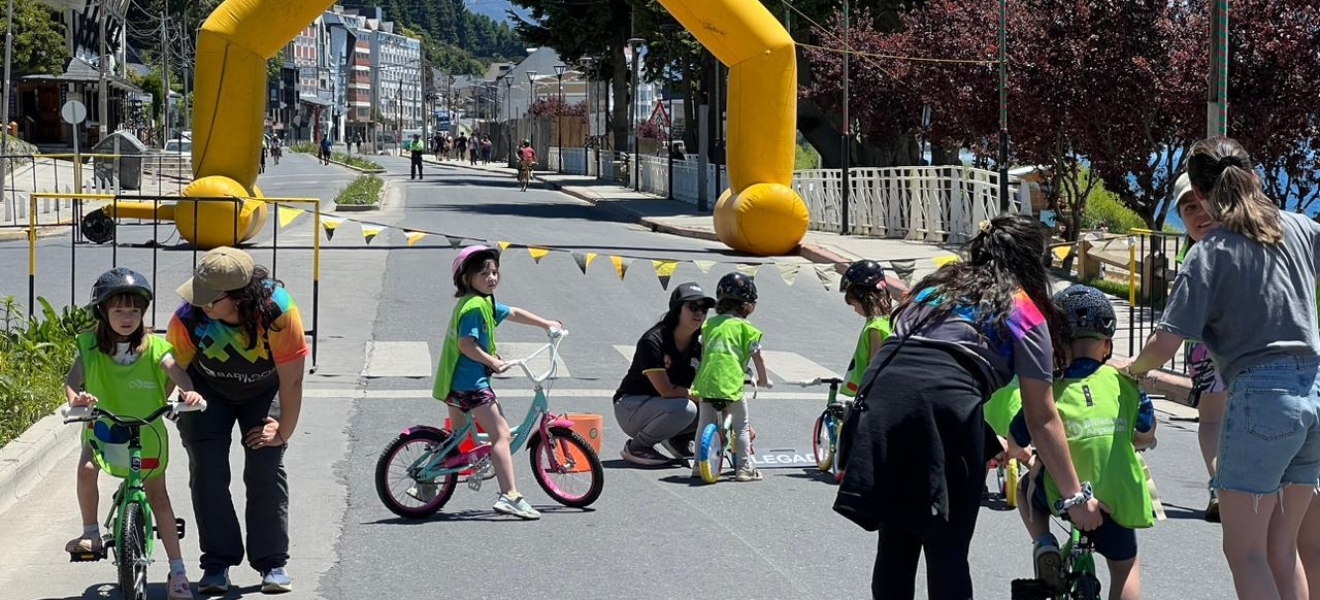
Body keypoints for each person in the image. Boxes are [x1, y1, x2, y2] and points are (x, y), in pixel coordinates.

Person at [834, 214, 1103, 600]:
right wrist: (1076, 499)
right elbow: (1041, 417)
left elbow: (921, 372)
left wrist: (983, 437)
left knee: (897, 545)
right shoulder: (1022, 308)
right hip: (940, 407)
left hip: (880, 405)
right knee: (947, 551)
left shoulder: (933, 288)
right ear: (1031, 261)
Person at [1119, 137, 1320, 600]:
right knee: (1280, 549)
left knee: (1246, 552)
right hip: (1311, 391)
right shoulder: (1299, 228)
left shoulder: (1210, 253)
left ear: (1204, 195)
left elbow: (1165, 342)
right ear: (1254, 177)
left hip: (1261, 401)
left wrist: (1134, 368)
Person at [168, 247, 309, 595]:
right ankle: (217, 563)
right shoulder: (188, 316)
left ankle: (272, 562)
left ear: (239, 296)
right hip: (206, 392)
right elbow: (171, 368)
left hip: (263, 392)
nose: (204, 306)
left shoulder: (278, 311)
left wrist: (284, 431)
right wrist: (151, 409)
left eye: (211, 300)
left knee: (264, 468)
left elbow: (292, 379)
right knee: (208, 472)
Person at [1007, 285, 1157, 600]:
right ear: (1107, 345)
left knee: (1024, 488)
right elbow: (1145, 432)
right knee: (1125, 567)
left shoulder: (1047, 391)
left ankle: (1044, 543)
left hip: (1063, 495)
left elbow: (1015, 444)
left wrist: (1033, 462)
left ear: (1058, 344)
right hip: (1117, 498)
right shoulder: (1125, 384)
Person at [65, 268, 206, 600]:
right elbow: (73, 381)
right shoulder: (90, 346)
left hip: (148, 430)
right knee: (86, 469)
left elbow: (177, 371)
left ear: (143, 313)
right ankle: (91, 533)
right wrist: (77, 401)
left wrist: (188, 393)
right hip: (104, 427)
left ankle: (178, 571)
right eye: (118, 310)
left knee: (158, 498)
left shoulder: (156, 346)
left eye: (134, 311)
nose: (127, 317)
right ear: (103, 312)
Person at [431, 245, 562, 520]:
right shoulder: (474, 306)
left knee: (458, 438)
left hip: (454, 382)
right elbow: (466, 344)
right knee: (500, 435)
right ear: (466, 278)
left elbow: (512, 312)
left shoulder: (484, 301)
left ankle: (426, 479)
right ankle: (510, 496)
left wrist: (546, 323)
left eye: (494, 271)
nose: (491, 277)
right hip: (470, 384)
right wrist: (492, 361)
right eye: (483, 273)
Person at [1170, 172, 1228, 522]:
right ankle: (1224, 484)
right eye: (1189, 207)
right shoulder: (1246, 242)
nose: (1199, 213)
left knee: (1213, 419)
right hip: (1208, 348)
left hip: (1223, 348)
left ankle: (1223, 484)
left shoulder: (1193, 251)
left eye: (1203, 203)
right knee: (1213, 418)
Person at [614, 282, 711, 466]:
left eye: (704, 309)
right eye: (693, 307)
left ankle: (677, 439)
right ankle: (637, 447)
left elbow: (707, 386)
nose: (699, 313)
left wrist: (737, 422)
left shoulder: (699, 346)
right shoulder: (653, 341)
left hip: (666, 406)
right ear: (676, 309)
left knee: (712, 406)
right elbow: (666, 390)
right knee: (688, 407)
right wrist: (697, 396)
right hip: (631, 407)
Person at [689, 272, 769, 483]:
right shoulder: (748, 329)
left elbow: (705, 352)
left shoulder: (708, 325)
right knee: (741, 426)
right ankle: (744, 468)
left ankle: (698, 465)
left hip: (706, 383)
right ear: (749, 304)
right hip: (731, 385)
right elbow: (758, 359)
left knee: (703, 424)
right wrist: (763, 380)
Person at [839, 261, 894, 398]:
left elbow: (874, 365)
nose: (855, 310)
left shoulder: (875, 328)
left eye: (854, 304)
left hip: (872, 392)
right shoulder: (885, 320)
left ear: (864, 299)